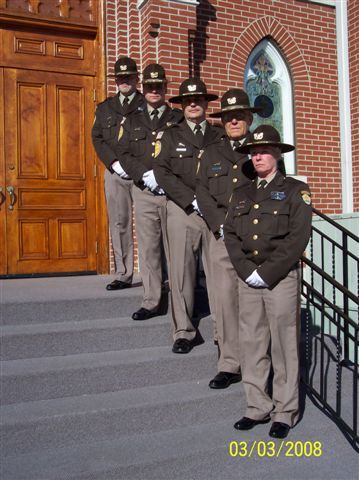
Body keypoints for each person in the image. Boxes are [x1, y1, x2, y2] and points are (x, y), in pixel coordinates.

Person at [224, 125, 312, 439]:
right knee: (251, 342)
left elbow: (298, 236)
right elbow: (231, 235)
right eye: (253, 152)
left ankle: (285, 411)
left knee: (284, 344)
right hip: (248, 278)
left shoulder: (294, 190)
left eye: (263, 151)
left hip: (280, 278)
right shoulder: (241, 193)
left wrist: (267, 272)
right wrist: (247, 270)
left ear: (276, 153)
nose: (257, 156)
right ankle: (256, 406)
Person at [196, 89, 261, 389]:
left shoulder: (262, 148)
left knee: (254, 304)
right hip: (222, 236)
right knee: (223, 302)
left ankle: (258, 364)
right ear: (222, 121)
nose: (234, 121)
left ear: (249, 118)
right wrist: (219, 224)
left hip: (254, 238)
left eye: (239, 116)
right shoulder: (212, 152)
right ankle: (229, 364)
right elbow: (202, 192)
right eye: (228, 117)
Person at [154, 78, 222, 354]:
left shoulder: (218, 135)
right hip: (184, 209)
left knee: (220, 275)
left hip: (214, 211)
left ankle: (222, 331)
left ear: (206, 103)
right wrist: (190, 199)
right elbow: (162, 171)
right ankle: (184, 331)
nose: (193, 104)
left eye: (198, 99)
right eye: (188, 100)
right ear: (181, 105)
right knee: (181, 272)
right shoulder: (170, 135)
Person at [117, 64, 182, 320]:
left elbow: (184, 151)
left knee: (176, 249)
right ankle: (152, 300)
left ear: (165, 88)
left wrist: (164, 176)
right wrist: (144, 174)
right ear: (143, 89)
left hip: (173, 192)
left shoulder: (177, 118)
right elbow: (123, 152)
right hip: (144, 191)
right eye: (150, 86)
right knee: (149, 247)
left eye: (159, 86)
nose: (154, 90)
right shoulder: (132, 119)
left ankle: (181, 301)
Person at [92, 57, 145, 291]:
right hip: (115, 172)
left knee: (150, 223)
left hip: (143, 172)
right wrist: (113, 162)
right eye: (120, 77)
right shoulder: (105, 108)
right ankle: (124, 273)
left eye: (129, 76)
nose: (125, 80)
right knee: (119, 221)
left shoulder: (147, 105)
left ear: (137, 78)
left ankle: (159, 275)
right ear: (116, 81)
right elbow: (98, 137)